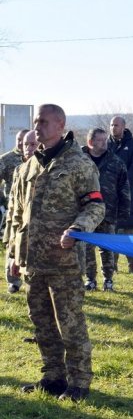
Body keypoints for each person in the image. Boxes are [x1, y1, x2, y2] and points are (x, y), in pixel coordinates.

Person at [8, 104, 105, 402]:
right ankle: (52, 377)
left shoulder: (79, 164)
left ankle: (78, 382)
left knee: (70, 323)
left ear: (60, 125)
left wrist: (78, 227)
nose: (38, 127)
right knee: (42, 323)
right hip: (32, 263)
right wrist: (12, 254)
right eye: (36, 122)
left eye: (44, 122)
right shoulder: (27, 167)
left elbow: (96, 205)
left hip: (64, 262)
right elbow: (16, 215)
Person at [82, 128, 130, 292]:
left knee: (107, 248)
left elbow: (124, 187)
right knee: (87, 247)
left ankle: (108, 280)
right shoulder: (79, 160)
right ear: (91, 142)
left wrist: (124, 212)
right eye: (100, 140)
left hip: (108, 212)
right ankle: (90, 280)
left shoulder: (115, 161)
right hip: (84, 213)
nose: (105, 143)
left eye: (105, 139)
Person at [108, 116, 133, 274]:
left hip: (129, 196)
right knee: (112, 232)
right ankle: (113, 265)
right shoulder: (106, 144)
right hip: (110, 195)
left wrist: (122, 184)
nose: (113, 128)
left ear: (123, 126)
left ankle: (132, 264)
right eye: (111, 125)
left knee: (130, 232)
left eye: (116, 125)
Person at [1, 129, 32, 293]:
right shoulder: (6, 159)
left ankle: (30, 278)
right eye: (20, 140)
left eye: (25, 141)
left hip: (32, 211)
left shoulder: (39, 159)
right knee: (12, 243)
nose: (22, 144)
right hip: (12, 209)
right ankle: (13, 281)